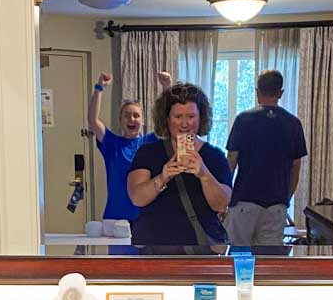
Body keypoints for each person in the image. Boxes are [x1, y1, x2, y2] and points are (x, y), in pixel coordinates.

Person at [127, 82, 233, 251]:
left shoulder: (215, 156)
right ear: (167, 119)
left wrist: (204, 174)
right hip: (155, 247)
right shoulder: (148, 152)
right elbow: (136, 197)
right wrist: (162, 178)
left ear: (201, 118)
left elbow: (221, 204)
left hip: (200, 249)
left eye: (191, 117)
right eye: (178, 117)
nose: (184, 124)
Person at [224, 69, 307, 248]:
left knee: (237, 258)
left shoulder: (243, 119)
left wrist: (224, 196)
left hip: (244, 200)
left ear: (257, 91)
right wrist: (285, 199)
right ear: (281, 93)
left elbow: (231, 161)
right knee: (267, 262)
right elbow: (295, 168)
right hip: (276, 204)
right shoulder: (293, 123)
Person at [87, 70, 170, 225]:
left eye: (136, 116)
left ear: (143, 121)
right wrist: (99, 88)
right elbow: (92, 120)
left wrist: (166, 87)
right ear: (120, 120)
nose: (131, 119)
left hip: (147, 219)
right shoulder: (112, 143)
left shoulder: (150, 142)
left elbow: (169, 124)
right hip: (115, 219)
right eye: (127, 115)